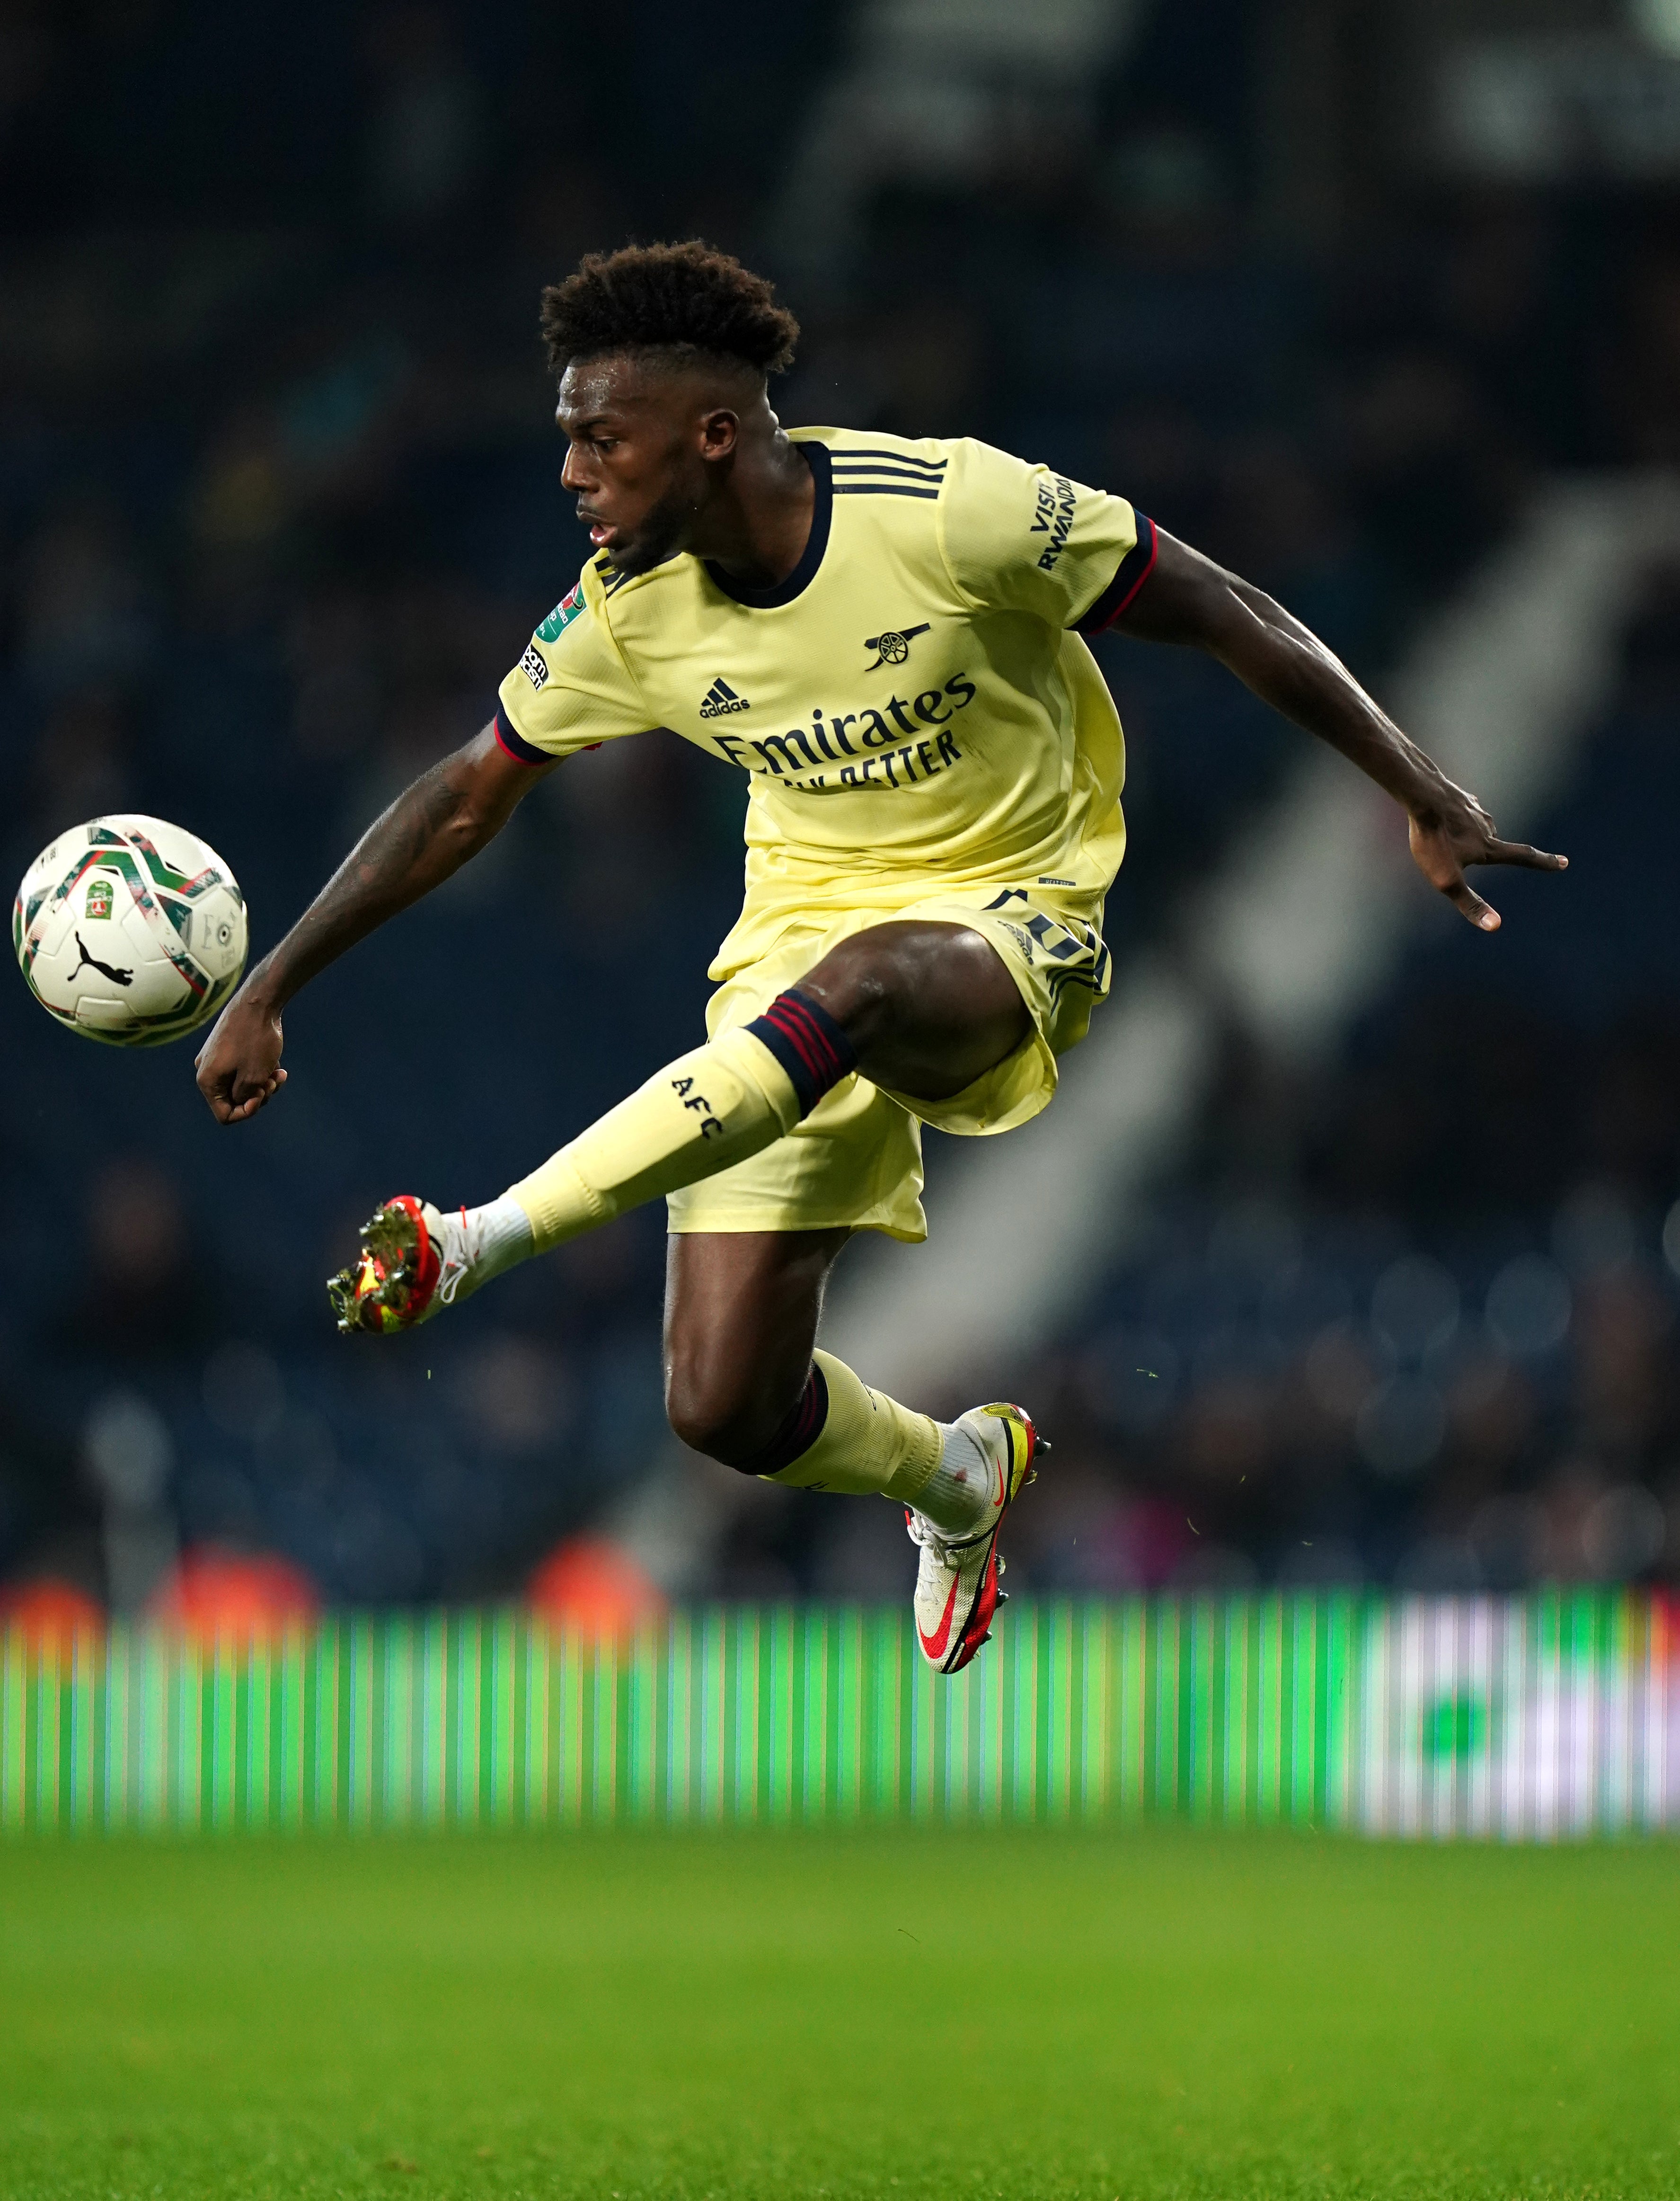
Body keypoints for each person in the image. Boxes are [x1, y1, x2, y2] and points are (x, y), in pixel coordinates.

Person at [195, 241, 1566, 1672]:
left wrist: (1418, 786)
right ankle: (955, 1478)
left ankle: (477, 1238)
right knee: (721, 1406)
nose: (571, 476)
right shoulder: (628, 610)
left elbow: (1227, 608)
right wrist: (274, 979)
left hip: (1011, 912)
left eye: (601, 439)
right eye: (565, 443)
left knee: (852, 991)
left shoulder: (954, 510)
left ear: (713, 432)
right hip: (797, 942)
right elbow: (464, 793)